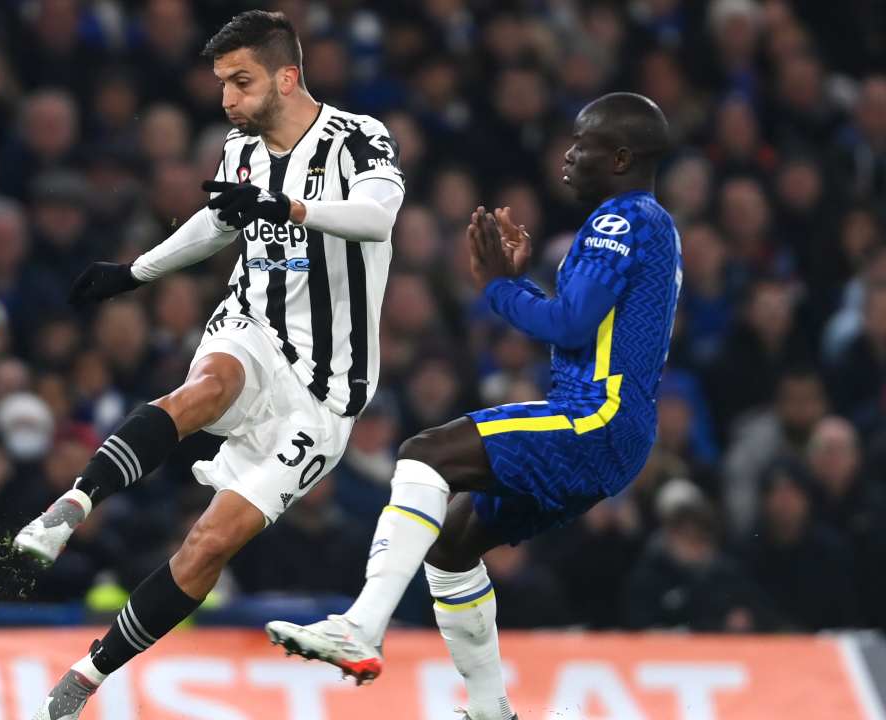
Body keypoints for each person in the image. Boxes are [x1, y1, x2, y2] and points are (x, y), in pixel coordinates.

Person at [16, 11, 405, 720]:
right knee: (207, 386)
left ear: (287, 77)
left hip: (324, 394)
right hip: (253, 326)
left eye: (241, 81)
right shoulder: (241, 149)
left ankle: (89, 673)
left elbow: (378, 217)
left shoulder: (358, 138)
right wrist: (136, 272)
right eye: (221, 83)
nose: (226, 99)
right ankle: (71, 505)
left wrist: (287, 206)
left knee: (208, 545)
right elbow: (220, 221)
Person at [265, 93, 681, 720]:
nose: (567, 154)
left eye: (583, 143)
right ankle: (490, 709)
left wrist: (497, 286)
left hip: (597, 416)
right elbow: (593, 329)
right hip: (612, 429)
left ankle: (360, 627)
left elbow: (569, 326)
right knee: (453, 544)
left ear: (620, 157)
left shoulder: (620, 221)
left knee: (425, 455)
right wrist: (516, 283)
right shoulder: (648, 224)